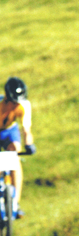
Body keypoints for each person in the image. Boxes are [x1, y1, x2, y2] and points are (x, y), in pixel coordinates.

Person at [0, 77, 36, 217]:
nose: (16, 105)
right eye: (14, 102)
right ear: (7, 99)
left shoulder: (24, 105)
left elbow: (26, 130)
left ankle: (16, 203)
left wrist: (29, 144)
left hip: (9, 131)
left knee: (14, 156)